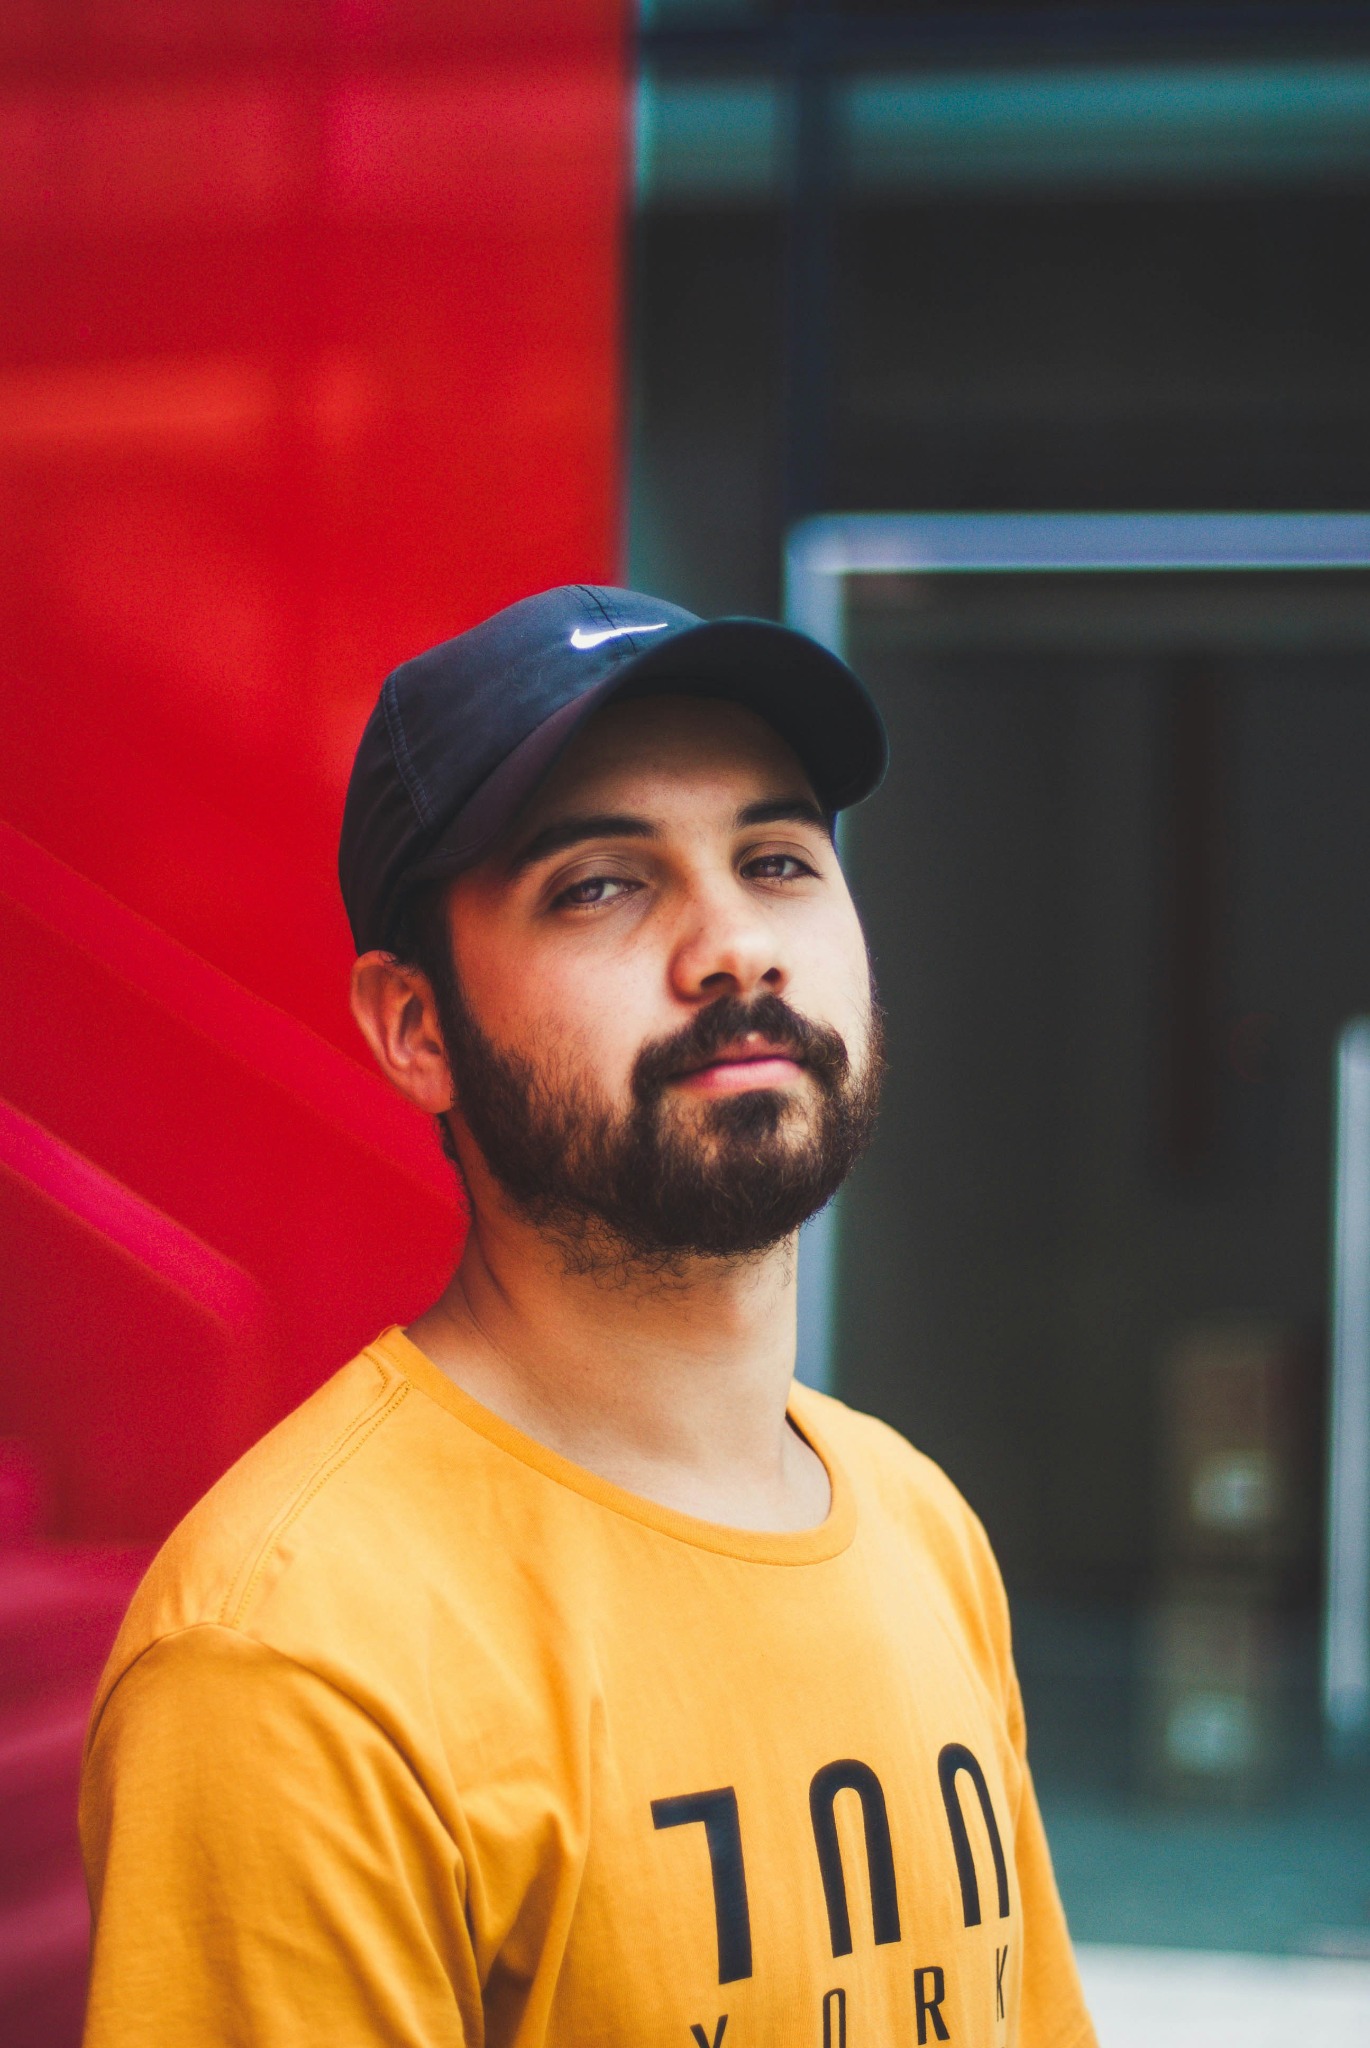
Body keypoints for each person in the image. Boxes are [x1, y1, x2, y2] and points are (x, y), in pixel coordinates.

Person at [80, 586, 1096, 2048]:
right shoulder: (292, 1661)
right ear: (414, 1028)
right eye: (600, 886)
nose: (733, 947)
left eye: (776, 859)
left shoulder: (916, 1523)